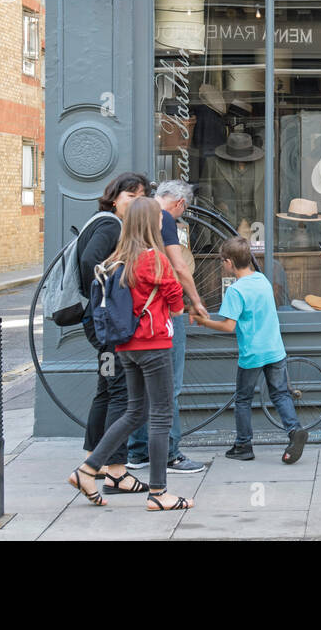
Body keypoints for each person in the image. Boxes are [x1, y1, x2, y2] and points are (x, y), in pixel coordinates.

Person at [68, 198, 190, 510]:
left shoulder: (117, 259)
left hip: (126, 347)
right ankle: (159, 493)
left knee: (134, 412)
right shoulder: (153, 259)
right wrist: (178, 307)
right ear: (152, 224)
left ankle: (88, 469)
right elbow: (175, 300)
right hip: (153, 345)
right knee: (160, 416)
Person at [192, 236, 308, 464]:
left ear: (229, 262)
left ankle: (243, 445)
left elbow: (228, 325)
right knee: (280, 393)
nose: (221, 265)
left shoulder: (236, 291)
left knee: (243, 399)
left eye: (222, 261)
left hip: (252, 353)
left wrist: (203, 321)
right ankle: (294, 431)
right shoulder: (262, 280)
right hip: (275, 349)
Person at [128, 179, 210, 475]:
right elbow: (178, 266)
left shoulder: (135, 215)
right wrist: (195, 302)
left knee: (141, 391)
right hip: (162, 312)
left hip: (136, 314)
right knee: (169, 387)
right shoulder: (162, 218)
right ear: (180, 204)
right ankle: (171, 454)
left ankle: (137, 453)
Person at [76, 171, 147, 496]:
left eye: (140, 197)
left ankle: (94, 460)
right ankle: (116, 471)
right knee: (121, 392)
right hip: (107, 325)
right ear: (116, 197)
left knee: (106, 389)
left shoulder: (99, 221)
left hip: (98, 325)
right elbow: (92, 261)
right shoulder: (110, 225)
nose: (134, 202)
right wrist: (114, 286)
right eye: (130, 196)